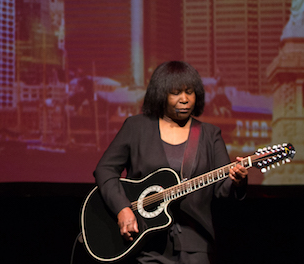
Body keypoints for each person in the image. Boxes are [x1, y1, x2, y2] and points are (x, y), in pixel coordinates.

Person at [93, 61, 247, 264]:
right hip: (145, 243)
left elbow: (222, 189)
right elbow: (105, 169)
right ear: (161, 94)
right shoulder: (136, 127)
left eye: (189, 92)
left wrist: (237, 180)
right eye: (176, 93)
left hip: (196, 244)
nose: (184, 99)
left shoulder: (210, 135)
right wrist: (122, 208)